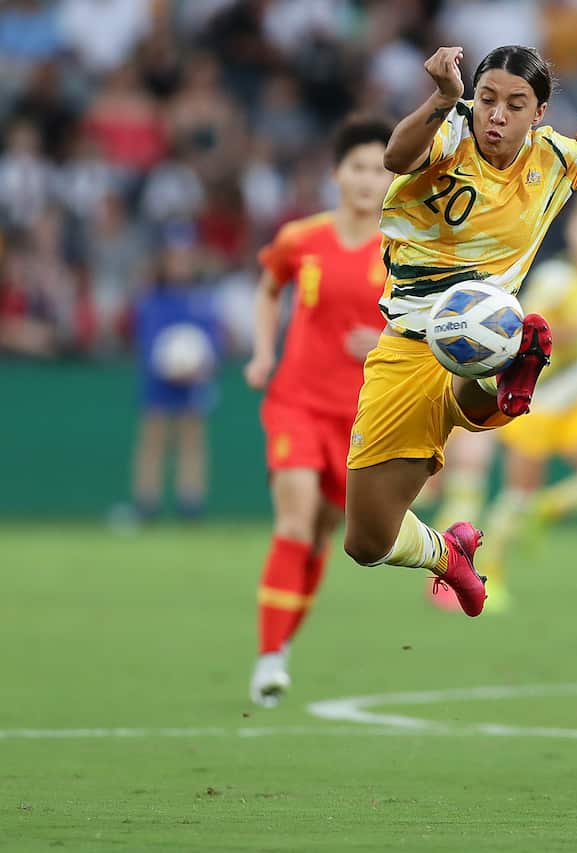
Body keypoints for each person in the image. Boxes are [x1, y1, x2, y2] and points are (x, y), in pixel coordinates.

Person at [341, 44, 577, 618]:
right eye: (486, 98)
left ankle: (504, 372)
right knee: (366, 541)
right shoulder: (450, 130)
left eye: (515, 104)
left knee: (475, 357)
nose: (496, 115)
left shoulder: (557, 157)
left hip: (482, 328)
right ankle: (449, 554)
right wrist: (443, 97)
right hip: (406, 347)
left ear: (539, 112)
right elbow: (396, 155)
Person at [243, 116, 394, 707]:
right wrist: (261, 352)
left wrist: (381, 344)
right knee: (294, 522)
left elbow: (428, 333)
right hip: (296, 403)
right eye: (357, 167)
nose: (367, 179)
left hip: (360, 419)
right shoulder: (300, 238)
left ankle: (281, 646)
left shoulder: (405, 248)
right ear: (336, 173)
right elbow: (267, 286)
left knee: (321, 539)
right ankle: (269, 656)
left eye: (381, 169)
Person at [434, 193, 577, 612]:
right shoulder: (556, 278)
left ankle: (545, 510)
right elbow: (527, 333)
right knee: (515, 496)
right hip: (538, 398)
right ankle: (489, 575)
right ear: (574, 232)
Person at [131, 225, 223, 521]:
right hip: (160, 382)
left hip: (193, 381)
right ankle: (147, 503)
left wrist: (199, 366)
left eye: (185, 258)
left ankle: (190, 503)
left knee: (191, 440)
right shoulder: (153, 300)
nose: (180, 265)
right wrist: (166, 367)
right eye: (174, 259)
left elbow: (213, 342)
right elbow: (147, 341)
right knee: (154, 439)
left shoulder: (202, 300)